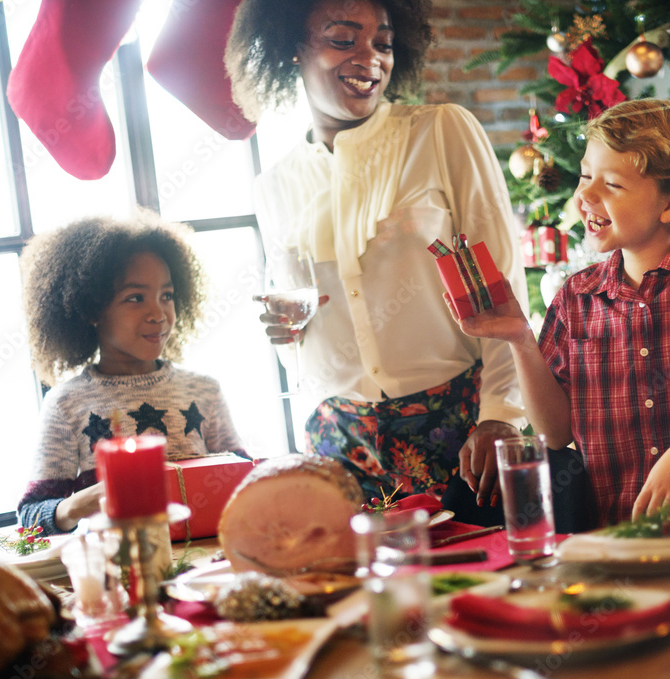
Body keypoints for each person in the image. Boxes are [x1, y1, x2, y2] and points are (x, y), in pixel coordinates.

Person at [225, 0, 528, 522]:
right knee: (366, 602)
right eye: (343, 39)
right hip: (339, 446)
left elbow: (504, 282)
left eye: (383, 43)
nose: (371, 58)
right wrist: (284, 336)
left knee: (483, 587)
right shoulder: (274, 185)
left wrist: (502, 413)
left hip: (459, 430)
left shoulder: (440, 133)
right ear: (291, 50)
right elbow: (302, 334)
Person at [447, 99, 670, 526]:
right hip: (611, 536)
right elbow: (555, 432)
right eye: (586, 176)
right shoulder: (575, 296)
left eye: (612, 185)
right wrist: (520, 339)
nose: (584, 195)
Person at [17, 214, 247, 536]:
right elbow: (30, 519)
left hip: (206, 564)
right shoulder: (66, 405)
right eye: (135, 298)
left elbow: (245, 478)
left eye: (166, 296)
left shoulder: (204, 391)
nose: (158, 314)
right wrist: (80, 503)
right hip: (120, 570)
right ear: (92, 310)